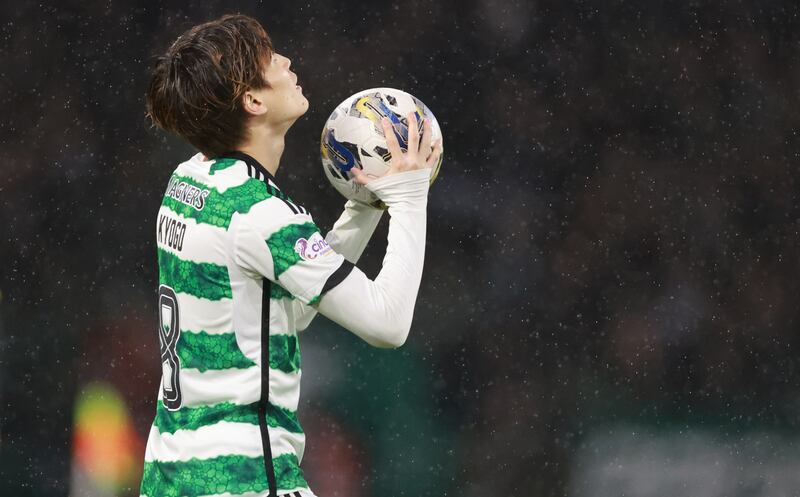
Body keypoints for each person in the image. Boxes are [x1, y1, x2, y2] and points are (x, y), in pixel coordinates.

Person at [140, 14, 442, 497]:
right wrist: (408, 196)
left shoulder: (188, 183)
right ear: (253, 101)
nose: (285, 60)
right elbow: (388, 324)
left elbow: (283, 312)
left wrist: (363, 208)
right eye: (269, 58)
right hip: (244, 478)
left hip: (171, 473)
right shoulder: (257, 213)